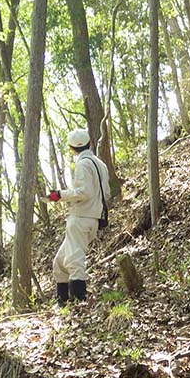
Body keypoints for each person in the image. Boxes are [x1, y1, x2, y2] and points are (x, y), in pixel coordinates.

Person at [46, 129, 111, 303]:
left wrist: (60, 195)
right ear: (89, 143)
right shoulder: (101, 165)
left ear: (71, 148)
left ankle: (78, 304)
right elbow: (107, 193)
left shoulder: (83, 165)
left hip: (81, 218)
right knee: (59, 263)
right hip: (92, 218)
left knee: (74, 260)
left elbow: (85, 192)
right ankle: (63, 304)